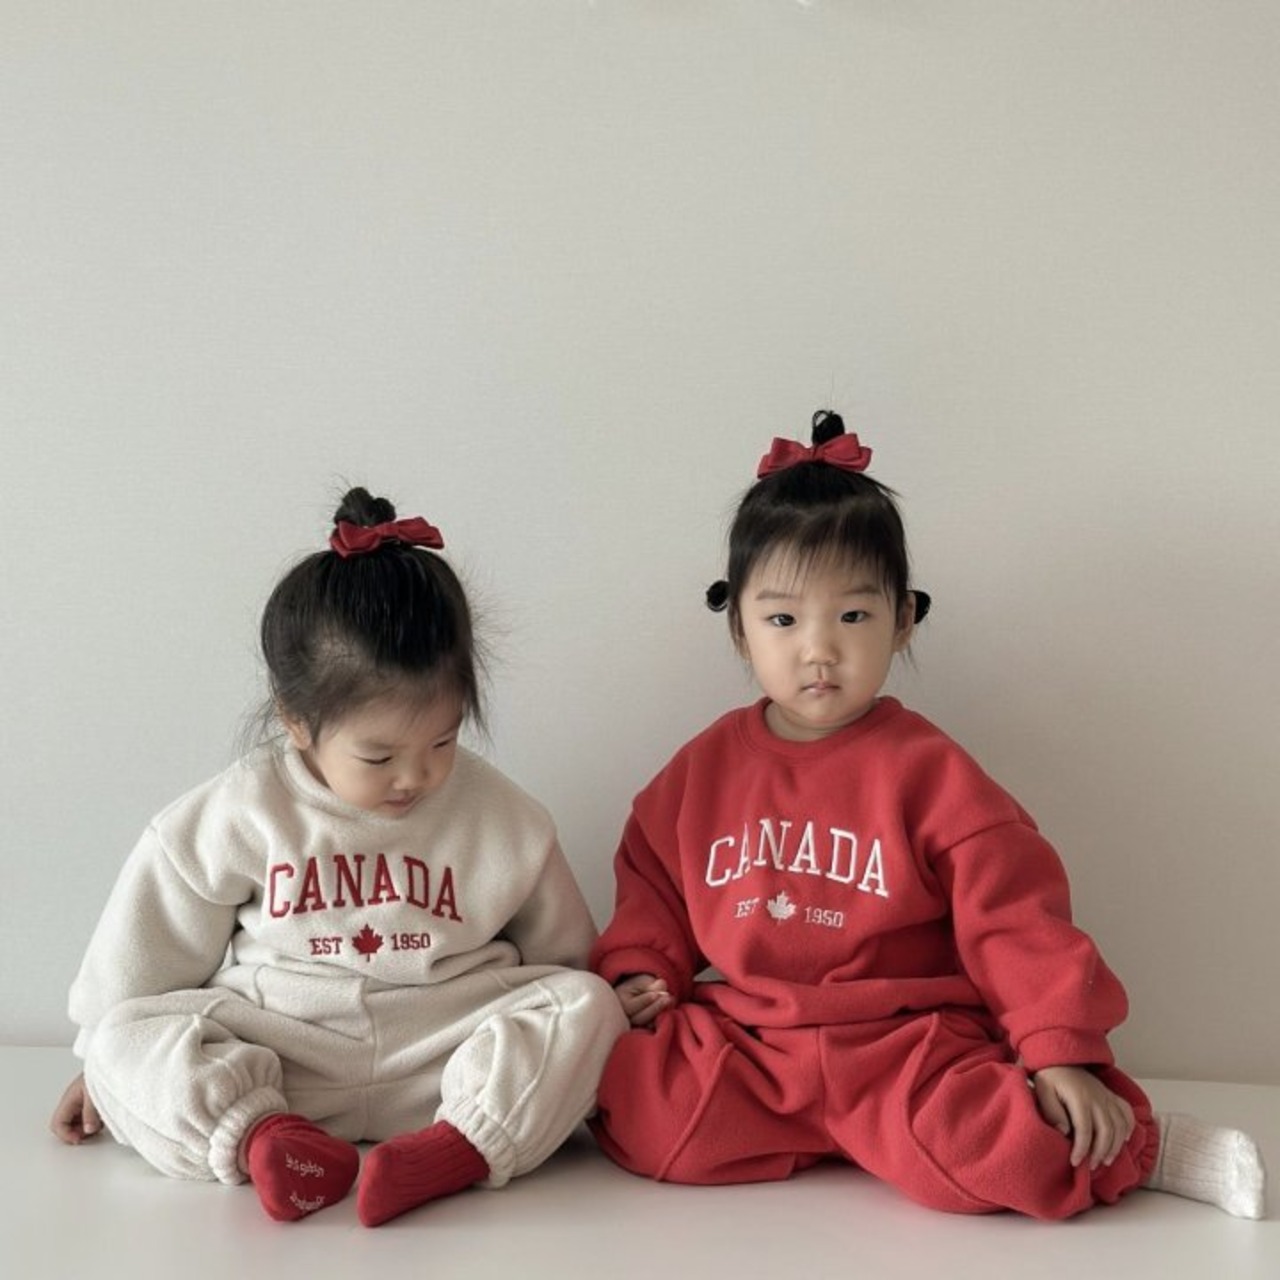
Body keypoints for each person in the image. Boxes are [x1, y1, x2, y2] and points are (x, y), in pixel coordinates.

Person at [588, 413, 1266, 1221]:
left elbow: (1015, 921)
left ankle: (1150, 1148)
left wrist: (1059, 1050)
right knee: (639, 1111)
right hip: (755, 1042)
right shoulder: (699, 775)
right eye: (783, 619)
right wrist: (643, 968)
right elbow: (653, 883)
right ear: (739, 627)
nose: (818, 650)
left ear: (903, 619)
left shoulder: (931, 773)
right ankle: (825, 1134)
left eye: (853, 616)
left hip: (907, 1044)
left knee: (1015, 1154)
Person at [51, 487, 627, 1226]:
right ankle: (269, 1145)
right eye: (379, 756)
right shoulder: (239, 811)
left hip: (445, 1059)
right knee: (118, 1036)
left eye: (443, 741)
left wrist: (595, 1017)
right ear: (297, 722)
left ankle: (448, 1155)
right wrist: (104, 1073)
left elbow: (566, 964)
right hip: (284, 1057)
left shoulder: (504, 818)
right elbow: (139, 962)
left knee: (591, 1007)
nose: (415, 777)